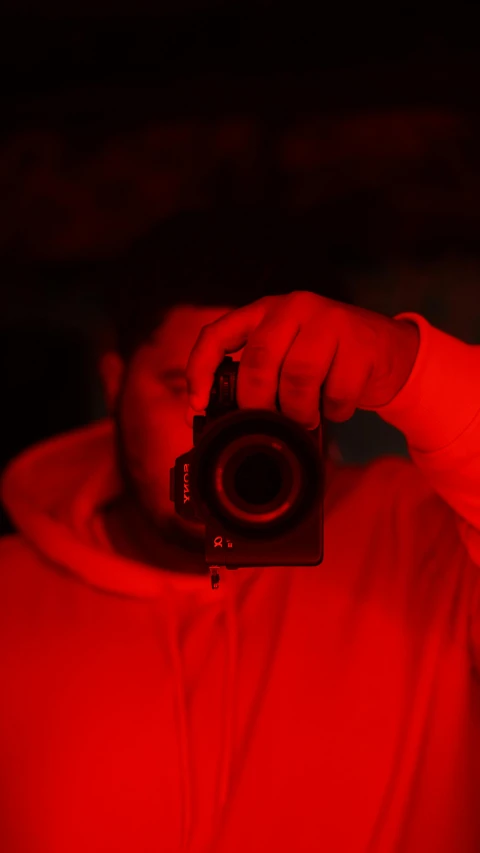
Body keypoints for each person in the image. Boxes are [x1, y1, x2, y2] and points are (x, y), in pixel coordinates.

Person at [0, 209, 479, 853]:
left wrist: (409, 368)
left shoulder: (424, 538)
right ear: (114, 384)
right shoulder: (11, 598)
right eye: (186, 386)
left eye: (278, 386)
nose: (228, 428)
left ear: (334, 393)